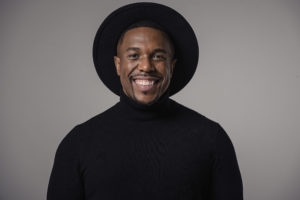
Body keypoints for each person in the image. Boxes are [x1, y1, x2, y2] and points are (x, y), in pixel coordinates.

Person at [47, 2, 243, 200]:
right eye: (134, 55)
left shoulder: (212, 139)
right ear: (117, 64)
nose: (146, 66)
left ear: (172, 66)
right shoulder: (78, 143)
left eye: (158, 56)